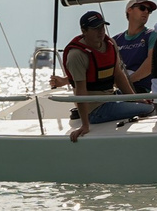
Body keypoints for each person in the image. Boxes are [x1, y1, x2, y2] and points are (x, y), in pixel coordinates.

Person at [60, 10, 151, 138]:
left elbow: (118, 75)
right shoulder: (77, 55)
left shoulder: (110, 44)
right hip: (97, 109)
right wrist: (85, 125)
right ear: (84, 31)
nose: (101, 31)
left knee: (149, 102)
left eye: (102, 27)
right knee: (149, 109)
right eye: (95, 28)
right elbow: (80, 91)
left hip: (111, 96)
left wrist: (136, 98)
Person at [111, 0, 157, 84]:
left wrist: (128, 81)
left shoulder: (152, 35)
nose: (146, 12)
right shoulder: (115, 40)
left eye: (149, 10)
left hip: (142, 93)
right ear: (129, 10)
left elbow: (152, 62)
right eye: (142, 8)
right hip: (118, 92)